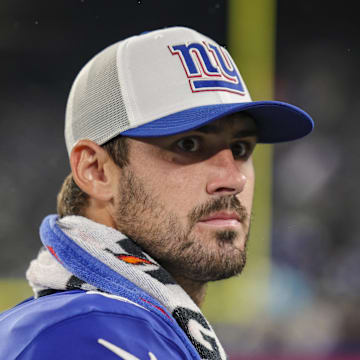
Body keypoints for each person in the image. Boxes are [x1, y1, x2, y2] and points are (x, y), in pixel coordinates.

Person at [0, 26, 313, 360]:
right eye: (189, 144)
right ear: (96, 170)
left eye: (240, 148)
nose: (233, 179)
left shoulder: (92, 327)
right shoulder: (85, 337)